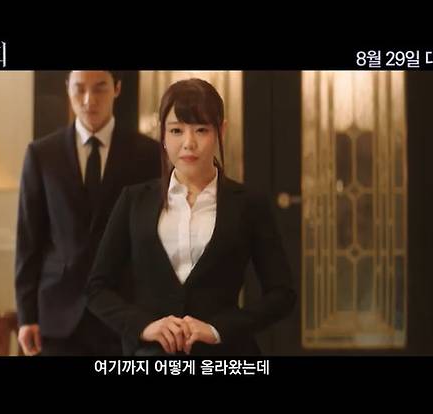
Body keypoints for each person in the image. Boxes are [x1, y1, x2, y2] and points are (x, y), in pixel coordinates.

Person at [86, 78, 296, 356]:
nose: (189, 143)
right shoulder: (133, 200)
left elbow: (282, 294)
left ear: (221, 131)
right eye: (176, 130)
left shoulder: (249, 204)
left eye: (201, 130)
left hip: (225, 356)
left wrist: (217, 329)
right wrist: (144, 326)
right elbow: (97, 289)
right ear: (162, 134)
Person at [15, 71, 161, 355]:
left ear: (117, 88)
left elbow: (155, 239)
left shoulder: (148, 154)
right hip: (57, 313)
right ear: (67, 88)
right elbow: (28, 242)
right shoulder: (42, 154)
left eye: (99, 88)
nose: (88, 100)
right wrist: (26, 316)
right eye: (79, 89)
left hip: (124, 311)